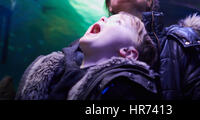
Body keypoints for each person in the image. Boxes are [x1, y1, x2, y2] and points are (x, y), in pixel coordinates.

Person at [16, 12, 159, 100]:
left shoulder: (123, 88)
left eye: (118, 22)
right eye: (107, 18)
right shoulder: (54, 69)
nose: (103, 18)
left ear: (128, 53)